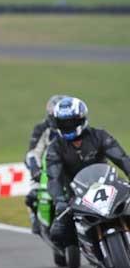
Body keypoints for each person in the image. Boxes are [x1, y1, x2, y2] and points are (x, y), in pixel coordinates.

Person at [47, 97, 130, 249]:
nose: (68, 126)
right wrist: (59, 200)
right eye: (64, 123)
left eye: (72, 121)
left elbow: (122, 159)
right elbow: (54, 178)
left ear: (82, 119)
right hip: (76, 195)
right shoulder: (55, 147)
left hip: (109, 185)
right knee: (58, 234)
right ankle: (83, 248)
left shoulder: (100, 136)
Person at [24, 96, 64, 234]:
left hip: (69, 169)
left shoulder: (74, 128)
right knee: (32, 196)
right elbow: (32, 152)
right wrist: (35, 170)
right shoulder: (42, 128)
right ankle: (35, 217)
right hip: (45, 170)